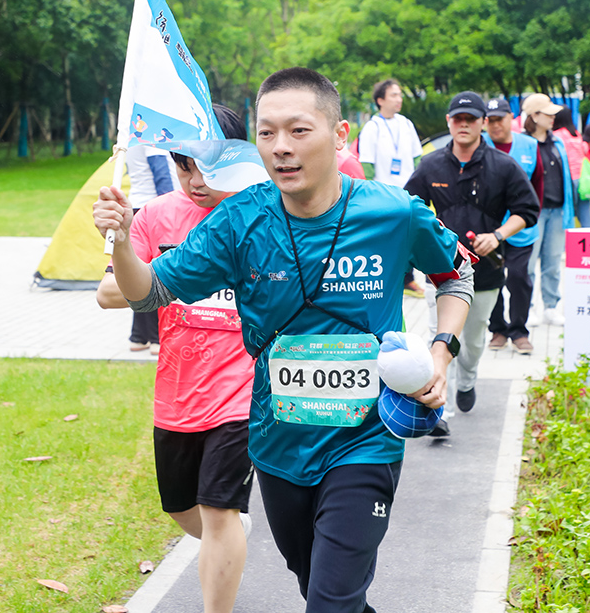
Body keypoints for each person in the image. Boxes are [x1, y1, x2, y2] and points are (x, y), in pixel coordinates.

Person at [93, 67, 473, 613]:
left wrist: (441, 352)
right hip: (278, 444)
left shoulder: (392, 211)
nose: (280, 148)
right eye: (266, 133)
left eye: (298, 131)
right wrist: (124, 246)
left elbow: (455, 274)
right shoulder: (240, 220)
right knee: (317, 584)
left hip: (365, 440)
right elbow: (150, 292)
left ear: (340, 135)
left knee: (330, 603)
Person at [96, 104, 254, 613]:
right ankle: (230, 532)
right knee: (183, 510)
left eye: (207, 165)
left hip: (243, 389)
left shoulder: (264, 211)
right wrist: (125, 242)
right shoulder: (158, 215)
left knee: (216, 509)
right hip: (178, 391)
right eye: (183, 165)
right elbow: (108, 294)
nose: (195, 180)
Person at [406, 92, 537, 434]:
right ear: (449, 122)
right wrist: (430, 234)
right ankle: (440, 411)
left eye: (471, 119)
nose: (463, 124)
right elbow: (408, 208)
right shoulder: (430, 165)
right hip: (442, 269)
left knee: (474, 340)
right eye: (457, 118)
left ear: (482, 124)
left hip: (487, 268)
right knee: (440, 336)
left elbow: (528, 210)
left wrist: (498, 235)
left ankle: (466, 381)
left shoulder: (503, 166)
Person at [483, 98, 541, 355]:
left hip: (521, 228)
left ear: (511, 118)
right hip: (488, 228)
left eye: (500, 119)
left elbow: (537, 185)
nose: (496, 125)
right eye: (491, 120)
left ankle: (519, 329)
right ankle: (497, 329)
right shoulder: (479, 145)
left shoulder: (529, 145)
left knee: (519, 278)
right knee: (491, 277)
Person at [358, 78, 425, 297]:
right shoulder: (372, 127)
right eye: (394, 95)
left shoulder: (406, 123)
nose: (399, 99)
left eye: (400, 95)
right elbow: (367, 165)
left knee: (409, 234)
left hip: (407, 191)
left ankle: (408, 279)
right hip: (383, 193)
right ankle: (389, 280)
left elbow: (417, 158)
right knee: (386, 237)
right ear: (380, 100)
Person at [521, 93, 575, 327]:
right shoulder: (522, 144)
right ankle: (527, 307)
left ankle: (551, 307)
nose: (554, 117)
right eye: (548, 114)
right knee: (529, 263)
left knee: (553, 262)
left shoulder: (557, 143)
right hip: (533, 213)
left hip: (557, 210)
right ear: (534, 116)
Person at [124, 142, 180, 355]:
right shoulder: (152, 135)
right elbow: (161, 174)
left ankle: (139, 336)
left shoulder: (133, 135)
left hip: (138, 206)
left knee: (139, 276)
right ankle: (157, 338)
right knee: (157, 274)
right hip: (154, 210)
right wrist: (171, 209)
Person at [552, 106, 590, 227]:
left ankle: (569, 242)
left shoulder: (557, 135)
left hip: (569, 178)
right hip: (583, 178)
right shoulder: (575, 134)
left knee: (568, 214)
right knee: (585, 214)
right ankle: (588, 235)